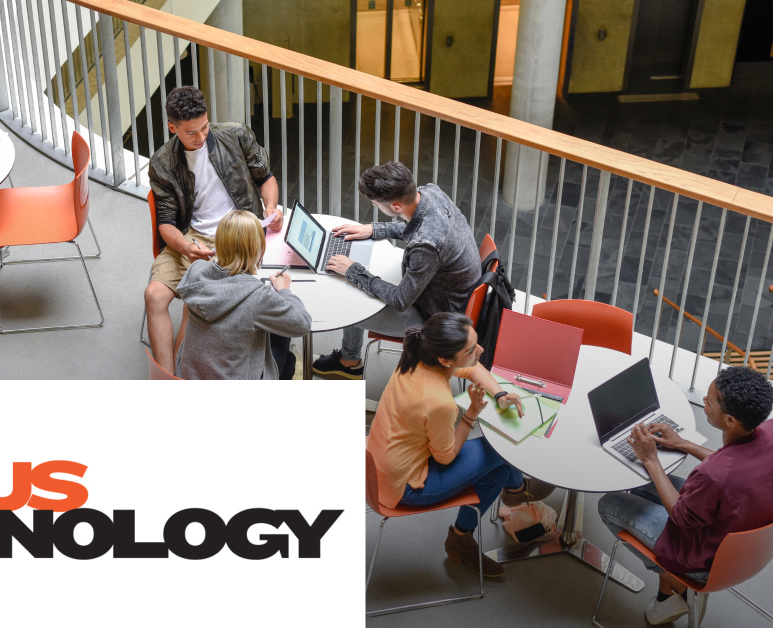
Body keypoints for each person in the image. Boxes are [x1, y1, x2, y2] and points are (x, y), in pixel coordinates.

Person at [596, 366, 773, 625]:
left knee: (609, 503)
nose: (704, 402)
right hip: (752, 543)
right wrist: (681, 443)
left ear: (730, 421)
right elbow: (739, 467)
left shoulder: (714, 474)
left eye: (709, 402)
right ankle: (667, 598)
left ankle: (679, 586)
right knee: (639, 485)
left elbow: (680, 517)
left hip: (710, 561)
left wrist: (651, 459)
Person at [366, 313, 554, 577]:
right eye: (471, 349)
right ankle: (516, 492)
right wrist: (471, 414)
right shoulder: (439, 402)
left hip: (378, 465)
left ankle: (507, 498)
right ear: (445, 359)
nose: (481, 350)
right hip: (406, 487)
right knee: (502, 447)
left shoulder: (416, 358)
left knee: (499, 470)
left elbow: (472, 368)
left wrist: (499, 394)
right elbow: (446, 457)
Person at [145, 86, 282, 377]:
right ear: (173, 127)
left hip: (235, 233)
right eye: (192, 132)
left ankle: (183, 376)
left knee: (193, 302)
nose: (202, 136)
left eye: (205, 127)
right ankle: (168, 380)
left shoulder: (236, 135)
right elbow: (166, 223)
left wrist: (271, 207)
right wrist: (184, 247)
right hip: (189, 236)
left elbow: (266, 178)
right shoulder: (162, 162)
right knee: (154, 296)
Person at [312, 162, 480, 380]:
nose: (376, 207)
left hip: (436, 317)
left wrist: (353, 270)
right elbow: (417, 225)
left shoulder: (427, 246)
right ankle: (349, 360)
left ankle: (349, 362)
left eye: (376, 204)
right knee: (361, 286)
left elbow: (401, 300)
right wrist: (374, 229)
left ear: (396, 207)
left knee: (349, 306)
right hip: (452, 296)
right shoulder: (431, 193)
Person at [174, 211, 311, 379]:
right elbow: (302, 324)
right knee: (284, 342)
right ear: (259, 248)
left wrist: (223, 255)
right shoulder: (258, 296)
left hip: (191, 376)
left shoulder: (195, 270)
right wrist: (284, 291)